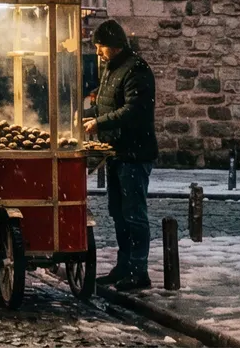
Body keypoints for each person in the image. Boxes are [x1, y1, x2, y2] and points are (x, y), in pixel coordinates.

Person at [84, 18, 155, 291]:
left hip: (134, 153)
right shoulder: (112, 69)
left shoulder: (136, 70)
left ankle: (139, 270)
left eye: (101, 46)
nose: (98, 52)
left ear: (114, 45)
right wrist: (85, 116)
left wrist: (99, 123)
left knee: (134, 214)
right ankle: (123, 266)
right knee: (119, 212)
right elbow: (106, 105)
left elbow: (133, 110)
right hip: (115, 152)